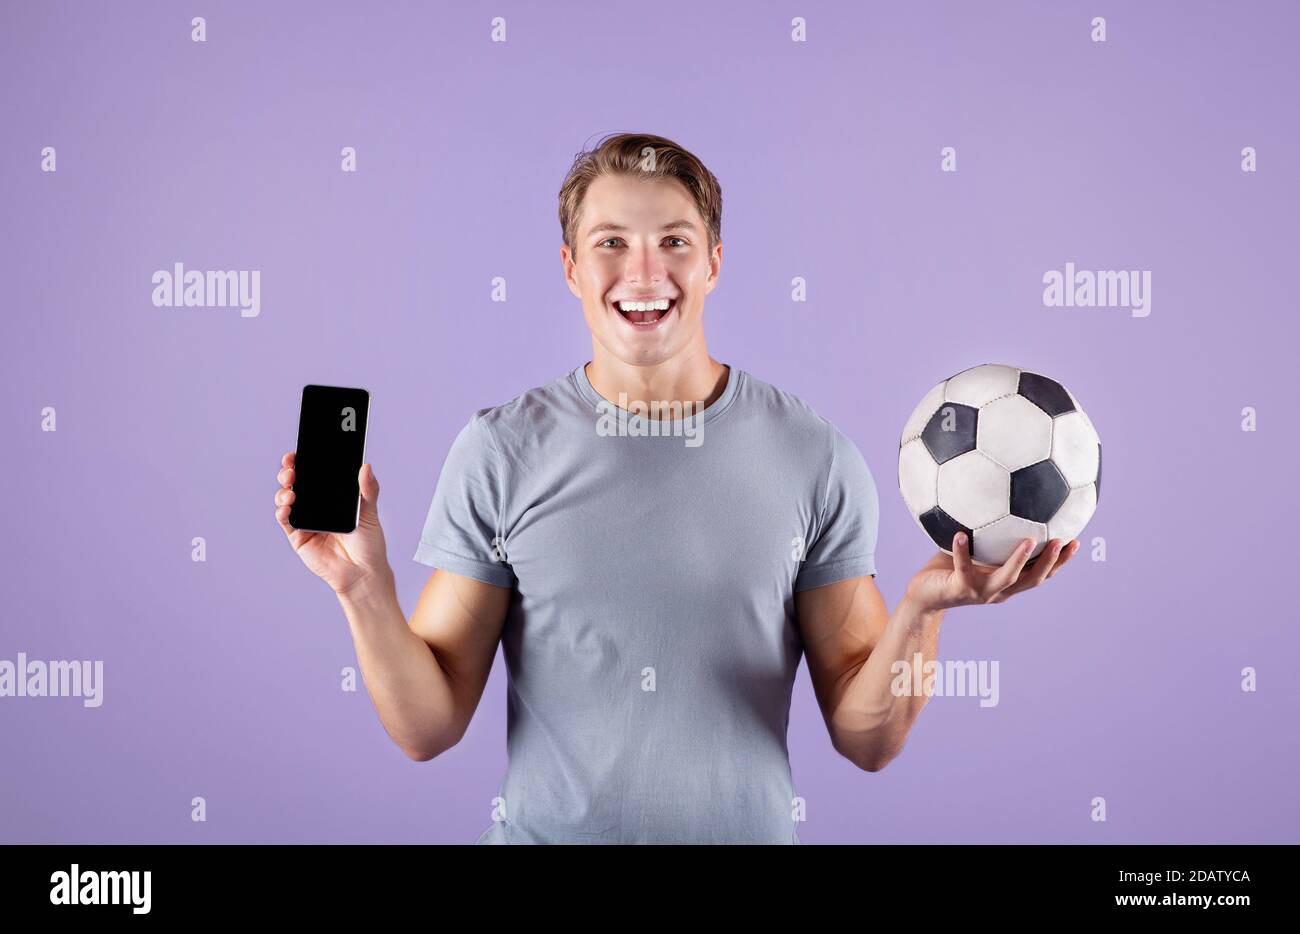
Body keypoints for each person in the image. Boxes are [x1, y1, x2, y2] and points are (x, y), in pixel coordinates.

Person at [273, 132, 1079, 844]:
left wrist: (922, 613)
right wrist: (362, 586)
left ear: (715, 262)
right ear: (571, 268)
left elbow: (867, 739)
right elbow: (429, 725)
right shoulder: (500, 451)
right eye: (612, 242)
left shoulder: (813, 455)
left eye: (675, 241)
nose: (645, 272)